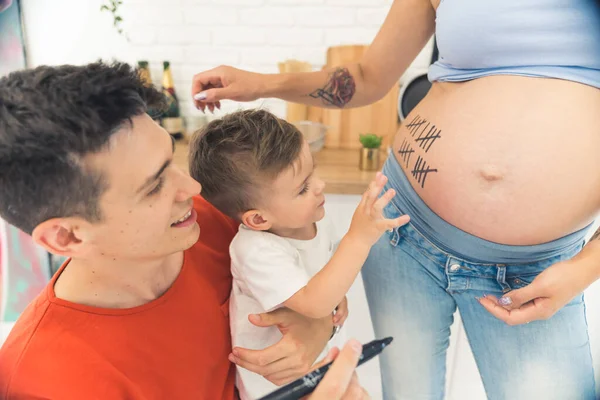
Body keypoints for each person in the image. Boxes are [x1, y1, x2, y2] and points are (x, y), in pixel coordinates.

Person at [191, 0, 600, 398]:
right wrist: (264, 84)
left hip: (535, 268)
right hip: (403, 226)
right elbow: (366, 77)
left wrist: (583, 269)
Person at [0, 61, 369, 399]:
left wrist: (317, 325)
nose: (192, 189)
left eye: (170, 161)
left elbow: (320, 284)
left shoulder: (212, 223)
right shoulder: (44, 381)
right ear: (67, 237)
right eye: (154, 185)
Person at [189, 109, 406, 399]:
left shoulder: (312, 218)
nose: (319, 186)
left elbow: (323, 274)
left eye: (312, 171)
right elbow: (314, 304)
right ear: (258, 220)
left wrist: (336, 293)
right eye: (303, 188)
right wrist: (359, 238)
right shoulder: (255, 249)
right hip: (277, 386)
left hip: (316, 361)